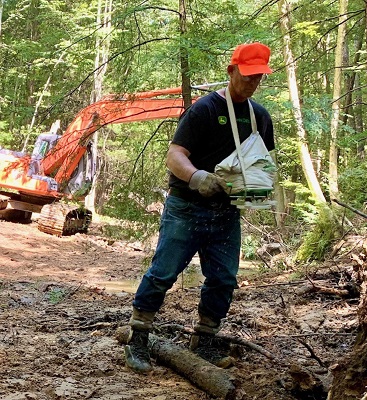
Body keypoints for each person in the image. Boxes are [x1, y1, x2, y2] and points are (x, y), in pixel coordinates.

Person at [124, 42, 275, 373]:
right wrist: (196, 177)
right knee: (163, 272)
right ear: (231, 71)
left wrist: (258, 190)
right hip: (187, 206)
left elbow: (263, 162)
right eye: (247, 76)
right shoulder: (204, 109)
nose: (252, 83)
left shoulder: (259, 117)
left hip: (226, 212)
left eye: (258, 78)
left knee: (223, 279)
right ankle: (138, 336)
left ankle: (204, 339)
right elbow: (174, 155)